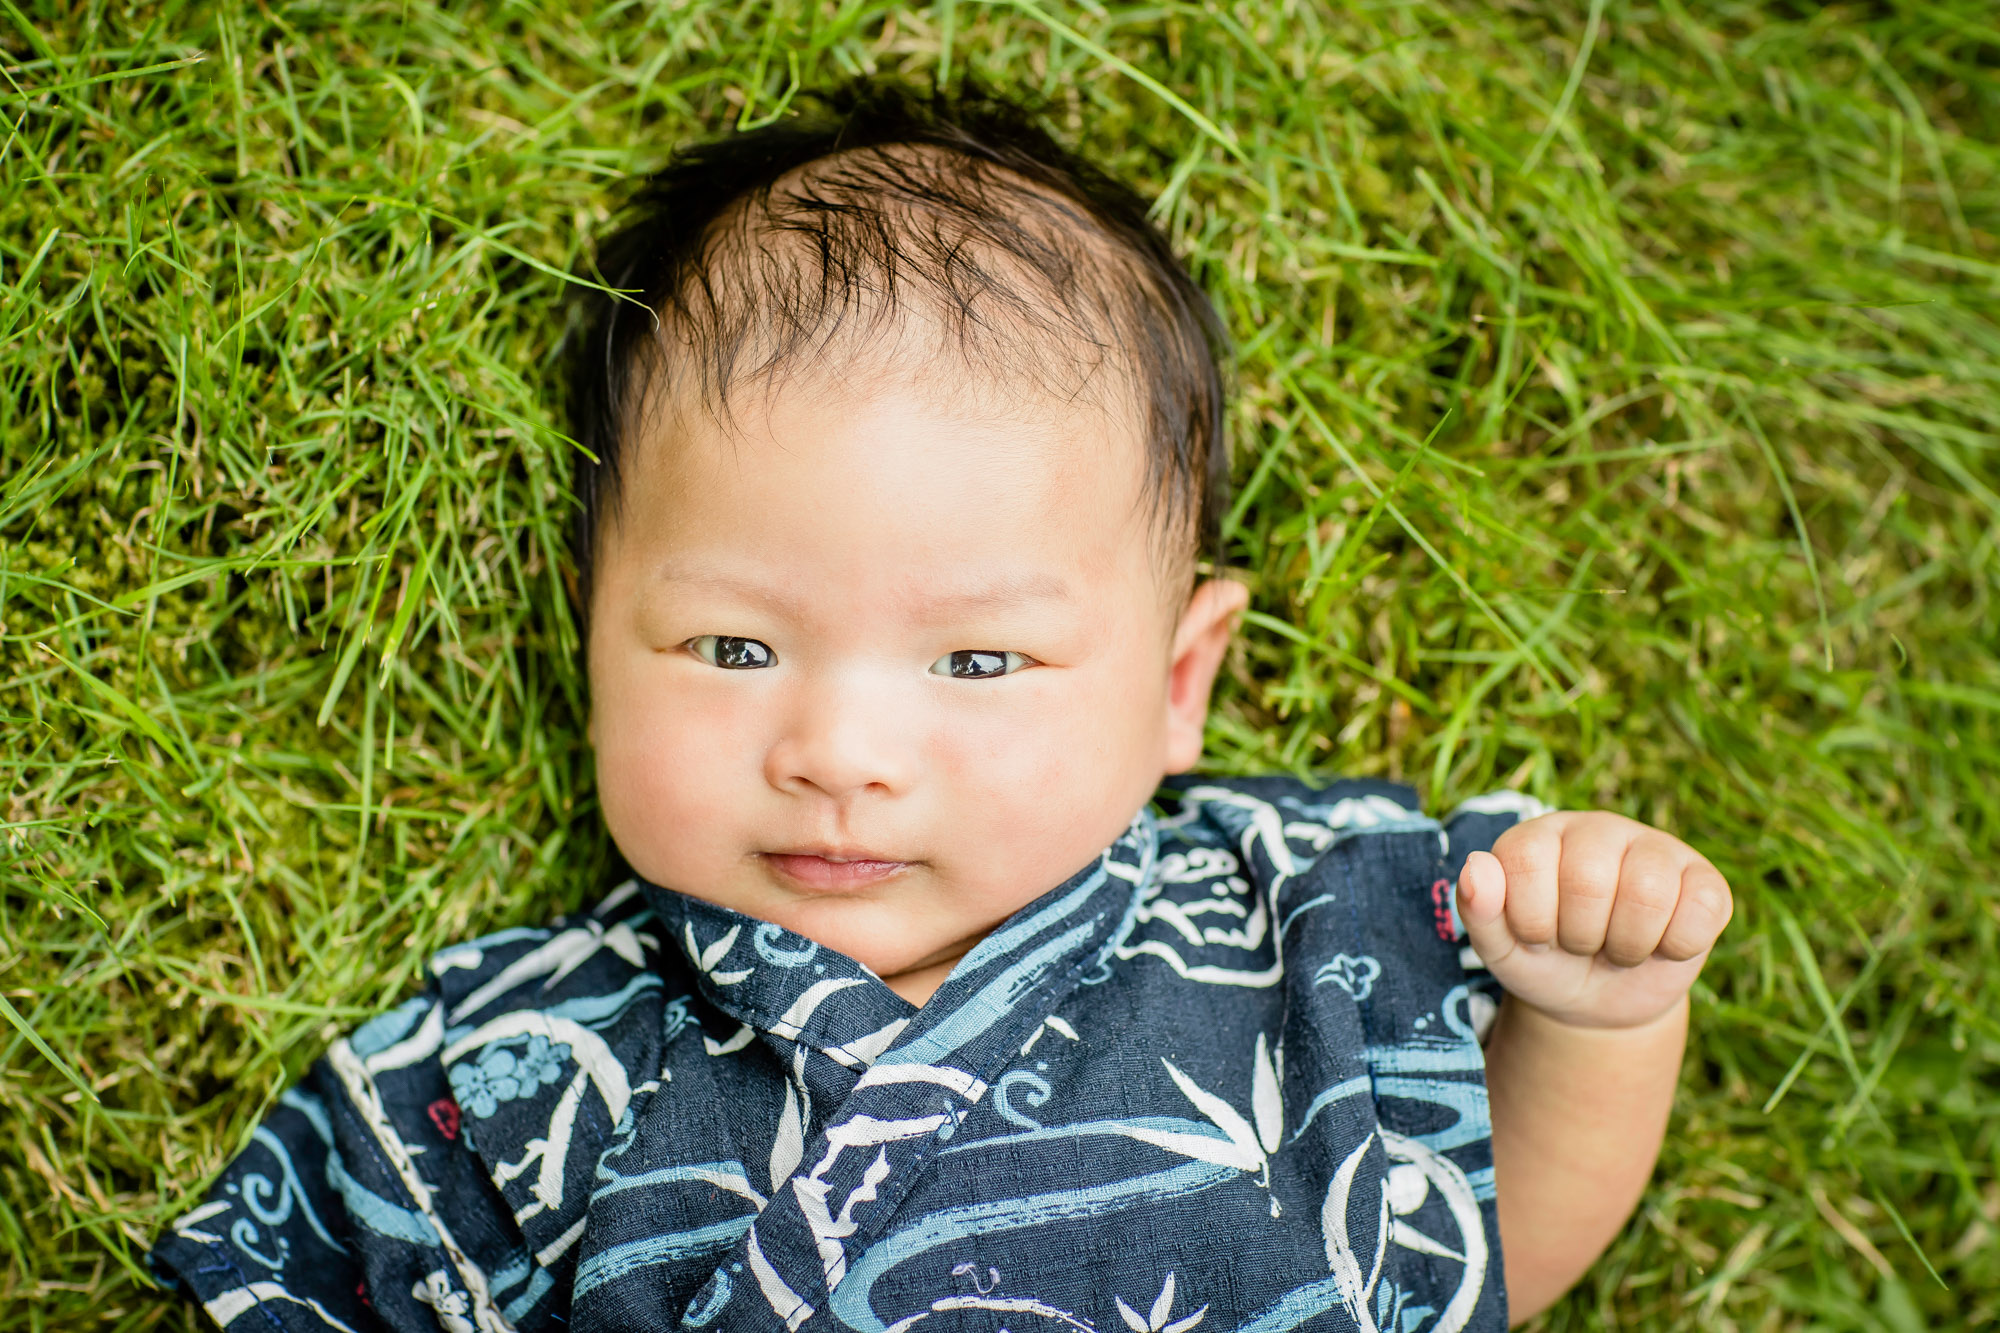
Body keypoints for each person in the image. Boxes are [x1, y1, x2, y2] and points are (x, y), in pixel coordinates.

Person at [146, 82, 1731, 1333]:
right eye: (730, 648)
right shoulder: (513, 1071)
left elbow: (1481, 1257)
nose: (838, 754)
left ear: (1180, 682)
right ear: (592, 631)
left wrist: (1602, 1017)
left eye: (974, 663)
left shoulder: (1303, 923)